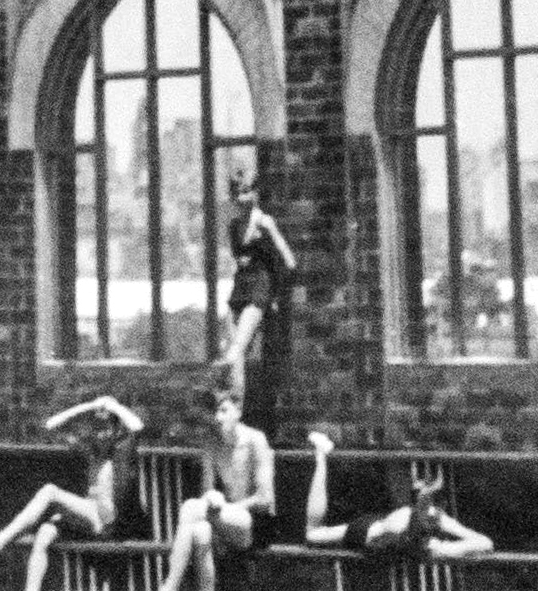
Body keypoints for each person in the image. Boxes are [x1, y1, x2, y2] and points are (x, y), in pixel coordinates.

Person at [0, 393, 150, 584]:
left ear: (116, 429)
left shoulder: (123, 449)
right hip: (91, 518)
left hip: (114, 523)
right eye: (98, 429)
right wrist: (90, 406)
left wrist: (113, 406)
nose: (101, 435)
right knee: (45, 532)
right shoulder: (92, 451)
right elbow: (51, 425)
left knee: (50, 492)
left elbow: (137, 426)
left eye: (106, 429)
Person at [301, 430, 491, 564]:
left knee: (313, 534)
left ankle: (321, 457)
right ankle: (321, 456)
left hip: (383, 535)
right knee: (315, 534)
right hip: (395, 536)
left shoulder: (427, 527)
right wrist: (446, 548)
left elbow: (483, 543)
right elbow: (484, 542)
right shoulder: (434, 527)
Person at [157, 387, 275, 591]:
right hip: (225, 520)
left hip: (255, 523)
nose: (217, 418)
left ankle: (169, 586)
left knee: (190, 508)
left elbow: (265, 499)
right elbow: (207, 493)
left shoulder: (256, 440)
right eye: (214, 412)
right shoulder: (211, 444)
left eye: (223, 410)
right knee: (200, 531)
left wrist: (229, 506)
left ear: (238, 412)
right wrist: (212, 499)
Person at [224, 168, 297, 433]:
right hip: (239, 288)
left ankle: (235, 412)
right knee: (233, 354)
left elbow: (289, 261)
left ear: (254, 193)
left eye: (246, 192)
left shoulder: (264, 222)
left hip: (259, 288)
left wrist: (275, 292)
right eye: (236, 194)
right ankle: (236, 412)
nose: (241, 198)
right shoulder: (233, 227)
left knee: (236, 351)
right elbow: (238, 258)